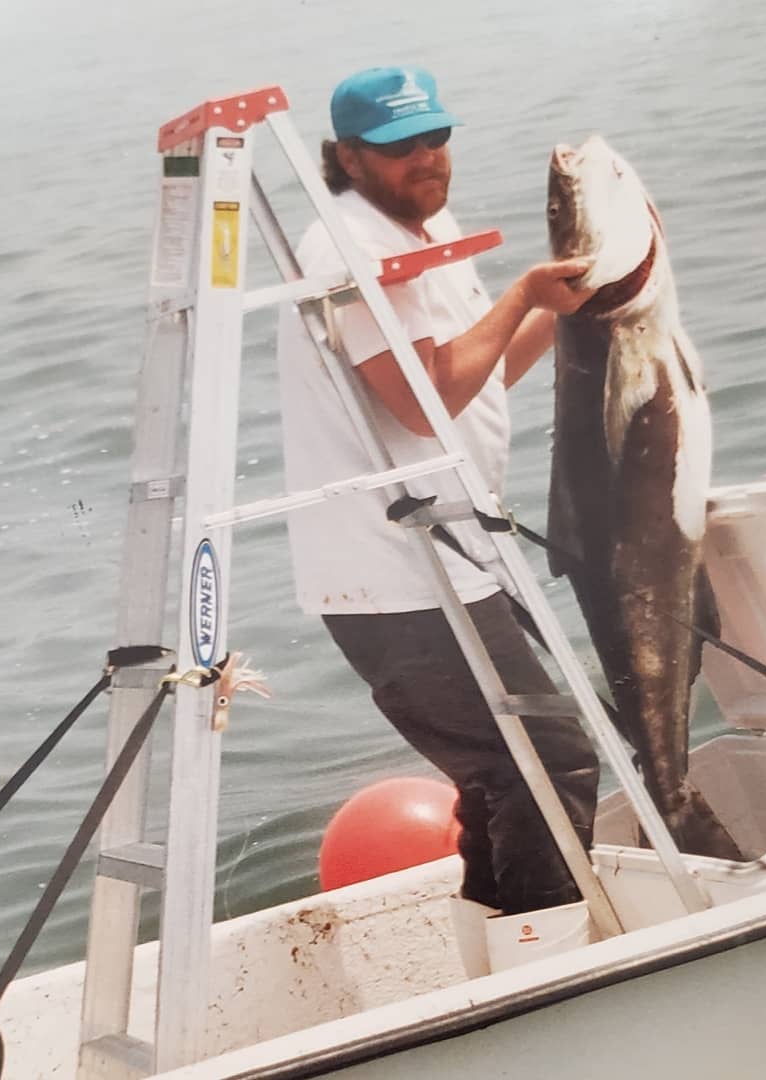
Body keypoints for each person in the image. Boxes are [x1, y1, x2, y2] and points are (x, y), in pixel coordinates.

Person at [276, 66, 600, 972]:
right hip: (392, 572)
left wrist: (566, 314)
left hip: (449, 557)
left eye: (435, 138)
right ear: (348, 157)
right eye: (400, 147)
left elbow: (476, 378)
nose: (427, 159)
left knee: (510, 772)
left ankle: (499, 962)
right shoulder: (346, 243)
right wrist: (522, 296)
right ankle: (547, 970)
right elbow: (420, 403)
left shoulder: (428, 229)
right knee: (549, 760)